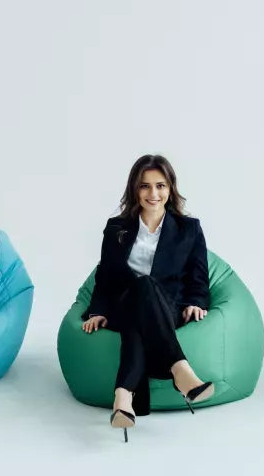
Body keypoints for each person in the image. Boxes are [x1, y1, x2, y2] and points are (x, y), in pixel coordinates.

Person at [81, 154, 213, 441]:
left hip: (168, 307)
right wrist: (97, 310)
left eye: (160, 186)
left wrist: (196, 302)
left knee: (140, 308)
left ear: (170, 188)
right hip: (123, 303)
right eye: (145, 186)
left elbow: (198, 275)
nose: (153, 194)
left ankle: (124, 397)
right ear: (134, 189)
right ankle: (180, 369)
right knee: (140, 288)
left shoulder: (189, 228)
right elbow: (105, 275)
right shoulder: (117, 227)